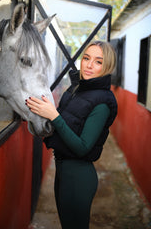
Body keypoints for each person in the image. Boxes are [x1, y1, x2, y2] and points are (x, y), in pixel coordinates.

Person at [26, 40, 117, 229]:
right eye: (86, 58)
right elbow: (64, 124)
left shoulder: (102, 103)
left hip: (78, 178)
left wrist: (54, 116)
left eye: (98, 61)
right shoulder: (77, 89)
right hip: (63, 172)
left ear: (107, 66)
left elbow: (83, 147)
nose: (89, 65)